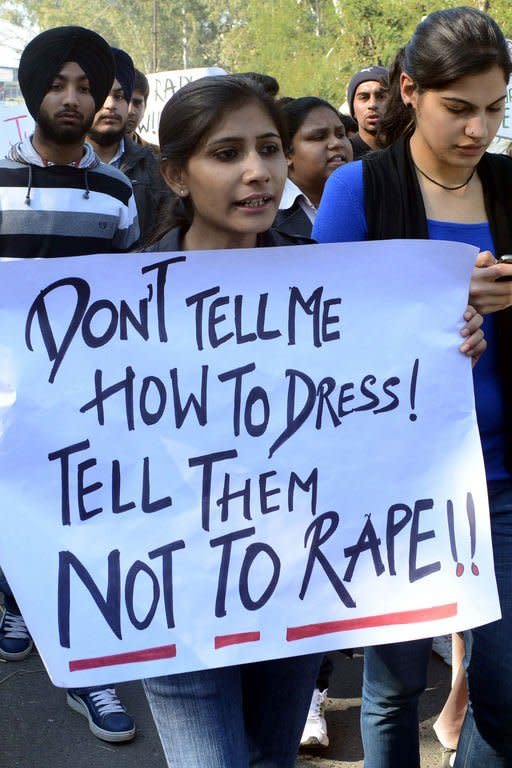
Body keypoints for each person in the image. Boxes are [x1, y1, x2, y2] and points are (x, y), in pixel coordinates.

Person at [313, 6, 512, 767]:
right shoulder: (357, 190)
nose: (477, 129)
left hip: (499, 476)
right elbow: (323, 329)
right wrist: (427, 306)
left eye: (494, 109)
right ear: (410, 91)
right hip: (395, 481)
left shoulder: (507, 186)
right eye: (458, 109)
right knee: (394, 686)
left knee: (502, 687)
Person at [140, 74, 323, 768]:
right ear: (175, 175)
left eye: (270, 149)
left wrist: (449, 335)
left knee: (271, 760)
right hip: (172, 588)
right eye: (227, 153)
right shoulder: (115, 305)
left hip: (297, 577)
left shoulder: (341, 290)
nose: (258, 172)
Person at [0, 25, 139, 743]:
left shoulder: (117, 192)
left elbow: (127, 300)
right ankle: (16, 600)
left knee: (81, 528)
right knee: (14, 519)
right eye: (58, 83)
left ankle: (91, 672)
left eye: (87, 86)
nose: (73, 98)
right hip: (3, 402)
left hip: (86, 402)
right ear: (33, 91)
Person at [88, 47, 169, 243]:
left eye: (120, 96)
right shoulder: (55, 167)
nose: (110, 104)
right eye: (102, 94)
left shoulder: (157, 167)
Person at [274, 96, 352, 241]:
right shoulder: (267, 213)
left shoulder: (370, 199)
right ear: (287, 154)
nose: (336, 143)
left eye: (341, 134)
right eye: (318, 137)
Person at [346, 65, 389, 159]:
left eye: (381, 96)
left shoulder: (408, 151)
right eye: (364, 97)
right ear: (353, 110)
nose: (372, 105)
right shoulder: (344, 153)